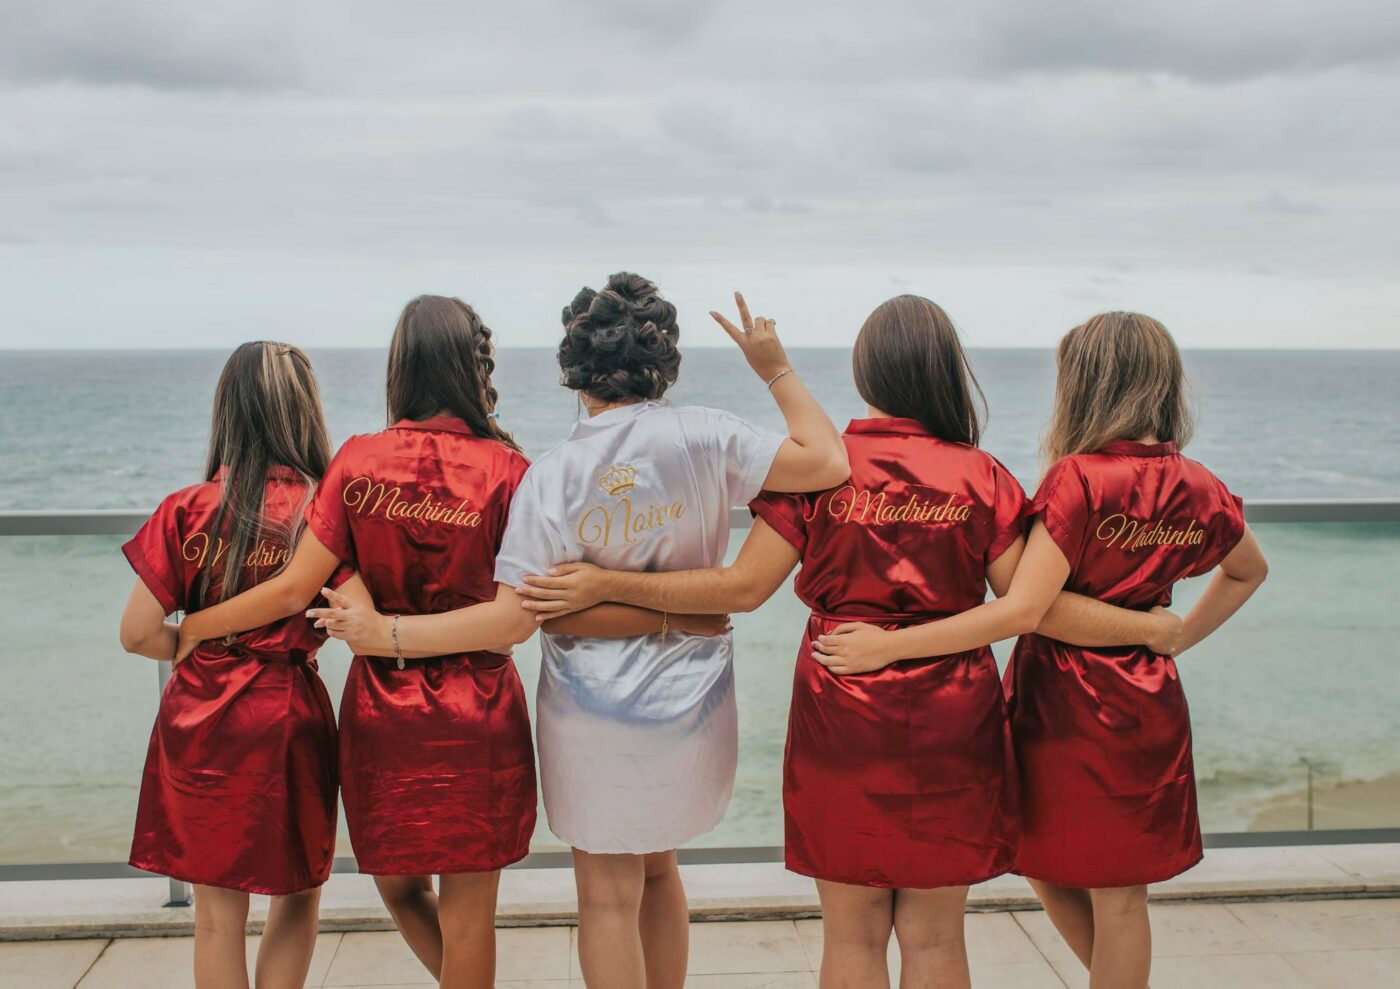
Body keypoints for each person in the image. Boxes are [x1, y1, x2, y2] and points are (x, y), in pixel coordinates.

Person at [513, 295, 1182, 989]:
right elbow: (1032, 606)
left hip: (841, 709)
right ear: (946, 372)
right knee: (936, 939)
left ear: (865, 372)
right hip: (955, 715)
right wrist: (1146, 623)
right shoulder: (981, 476)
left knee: (852, 936)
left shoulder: (823, 473)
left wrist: (604, 586)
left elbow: (741, 587)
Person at [309, 273, 849, 989]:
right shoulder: (710, 433)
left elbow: (532, 612)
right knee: (660, 866)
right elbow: (829, 462)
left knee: (605, 893)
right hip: (692, 702)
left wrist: (386, 632)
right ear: (663, 363)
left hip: (591, 706)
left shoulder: (555, 473)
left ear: (574, 367)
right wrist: (773, 367)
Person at [174, 296, 708, 989]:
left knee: (400, 890)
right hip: (478, 712)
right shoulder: (509, 470)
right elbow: (519, 616)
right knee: (470, 919)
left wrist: (191, 629)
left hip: (381, 715)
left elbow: (297, 585)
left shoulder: (356, 461)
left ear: (398, 366)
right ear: (472, 367)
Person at [795, 312, 1267, 989]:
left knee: (1066, 875)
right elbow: (1250, 569)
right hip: (1148, 695)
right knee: (1105, 887)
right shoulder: (1200, 484)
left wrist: (886, 648)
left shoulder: (1078, 480)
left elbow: (1025, 608)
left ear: (1087, 385)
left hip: (1067, 699)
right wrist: (1169, 634)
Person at [119, 341, 342, 989]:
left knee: (216, 915)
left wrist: (191, 642)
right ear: (304, 411)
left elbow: (136, 633)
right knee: (296, 894)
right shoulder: (322, 509)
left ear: (229, 411)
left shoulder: (186, 509)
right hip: (286, 715)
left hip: (199, 720)